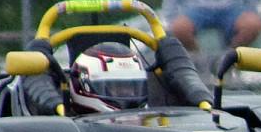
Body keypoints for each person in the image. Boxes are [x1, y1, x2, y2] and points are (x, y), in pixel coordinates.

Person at [19, 35, 212, 116]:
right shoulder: (57, 129)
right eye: (117, 87)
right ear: (84, 86)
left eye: (132, 87)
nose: (127, 95)